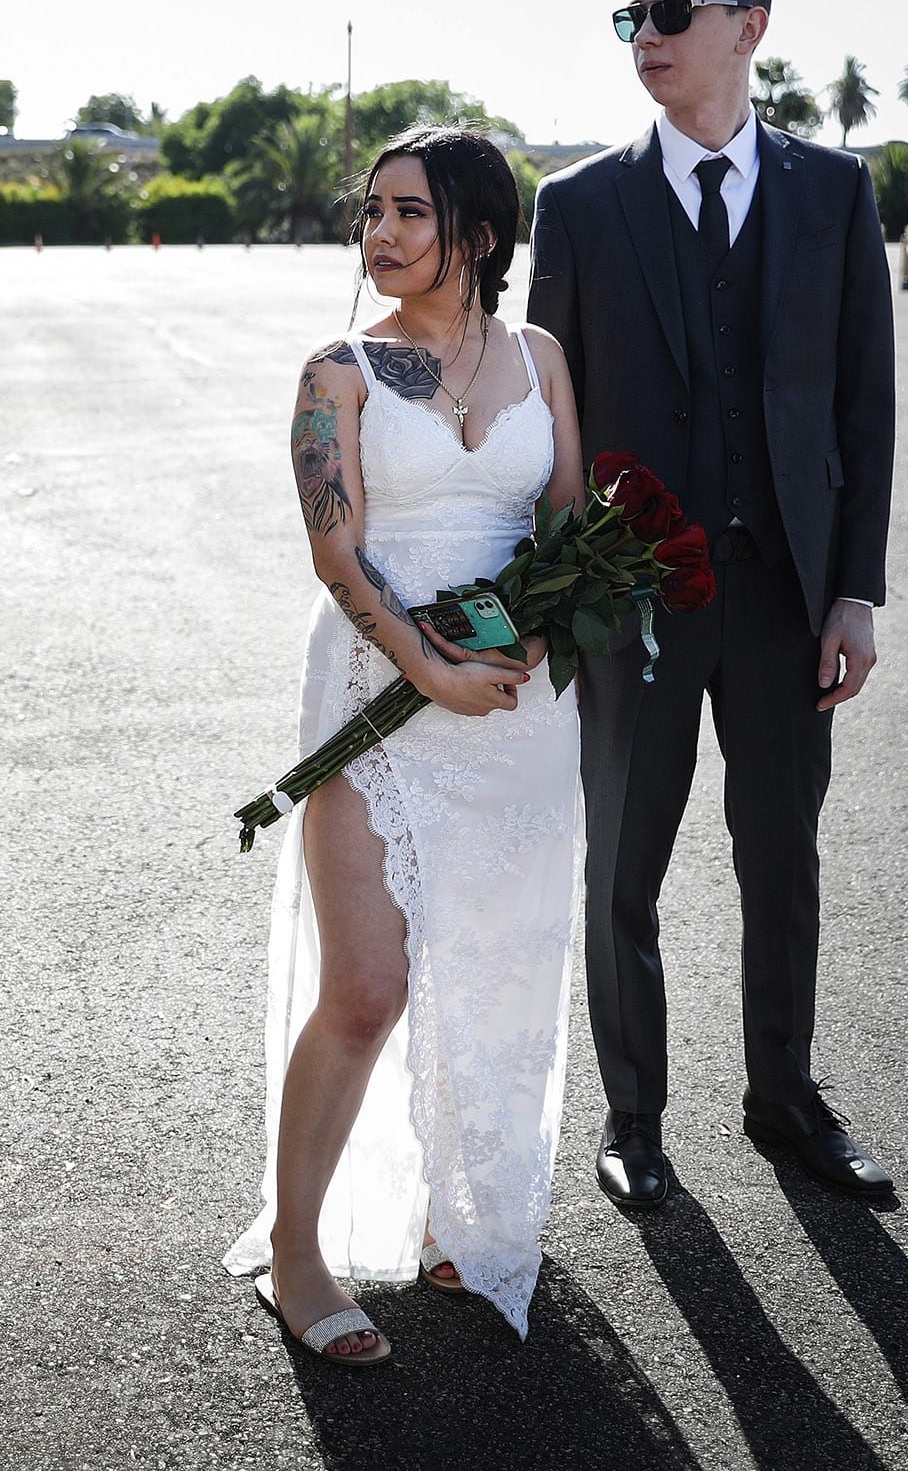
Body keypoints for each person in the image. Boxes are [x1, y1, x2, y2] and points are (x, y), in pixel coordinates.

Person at [528, 0, 897, 1213]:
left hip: (791, 594)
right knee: (621, 864)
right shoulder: (573, 207)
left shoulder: (834, 195)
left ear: (749, 25)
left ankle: (784, 1097)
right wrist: (554, 597)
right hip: (631, 603)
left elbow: (864, 411)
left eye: (672, 13)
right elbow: (548, 419)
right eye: (632, 17)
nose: (648, 38)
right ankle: (635, 1118)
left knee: (780, 859)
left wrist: (857, 587)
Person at [225, 125, 587, 1361]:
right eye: (369, 211)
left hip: (516, 716)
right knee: (367, 989)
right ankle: (295, 1250)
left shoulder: (539, 356)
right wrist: (423, 663)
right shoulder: (338, 373)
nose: (378, 234)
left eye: (408, 213)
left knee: (492, 969)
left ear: (478, 235)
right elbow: (337, 548)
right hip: (380, 697)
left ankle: (458, 1213)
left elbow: (566, 525)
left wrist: (544, 633)